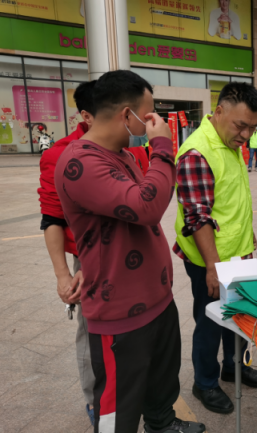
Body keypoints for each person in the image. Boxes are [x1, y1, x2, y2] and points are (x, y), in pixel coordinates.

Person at [55, 70, 204, 434]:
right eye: (149, 114)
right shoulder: (80, 162)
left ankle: (162, 424)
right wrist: (163, 146)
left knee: (161, 382)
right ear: (127, 114)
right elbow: (146, 206)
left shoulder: (122, 154)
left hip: (155, 297)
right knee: (119, 406)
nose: (154, 122)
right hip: (119, 308)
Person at [173, 82, 257, 415]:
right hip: (210, 260)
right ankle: (205, 383)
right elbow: (197, 218)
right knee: (210, 320)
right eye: (240, 125)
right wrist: (213, 267)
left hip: (237, 252)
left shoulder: (229, 143)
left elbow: (231, 198)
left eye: (252, 128)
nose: (246, 135)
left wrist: (247, 234)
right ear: (218, 112)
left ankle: (234, 366)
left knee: (239, 315)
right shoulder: (197, 153)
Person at [38, 80, 96, 426]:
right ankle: (95, 399)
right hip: (87, 259)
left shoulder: (131, 149)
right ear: (87, 115)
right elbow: (52, 219)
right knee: (91, 331)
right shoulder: (59, 154)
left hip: (131, 258)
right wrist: (63, 275)